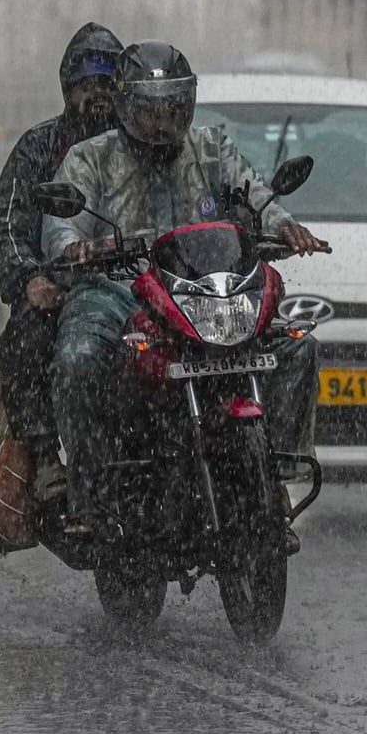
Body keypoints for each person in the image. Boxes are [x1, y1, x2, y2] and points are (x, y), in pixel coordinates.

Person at [42, 41, 324, 532]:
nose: (161, 120)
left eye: (172, 106)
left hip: (204, 291)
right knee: (78, 356)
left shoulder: (212, 148)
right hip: (116, 291)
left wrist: (283, 226)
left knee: (296, 348)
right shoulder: (91, 156)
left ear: (188, 103)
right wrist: (72, 246)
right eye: (149, 108)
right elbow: (62, 223)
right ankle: (90, 491)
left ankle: (273, 469)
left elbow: (256, 195)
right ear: (126, 105)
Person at [0, 21, 124, 502]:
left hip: (145, 288)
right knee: (23, 344)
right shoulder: (39, 148)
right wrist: (30, 280)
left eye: (107, 84)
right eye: (87, 85)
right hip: (66, 291)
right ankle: (44, 462)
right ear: (67, 89)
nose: (97, 95)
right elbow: (6, 225)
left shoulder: (151, 146)